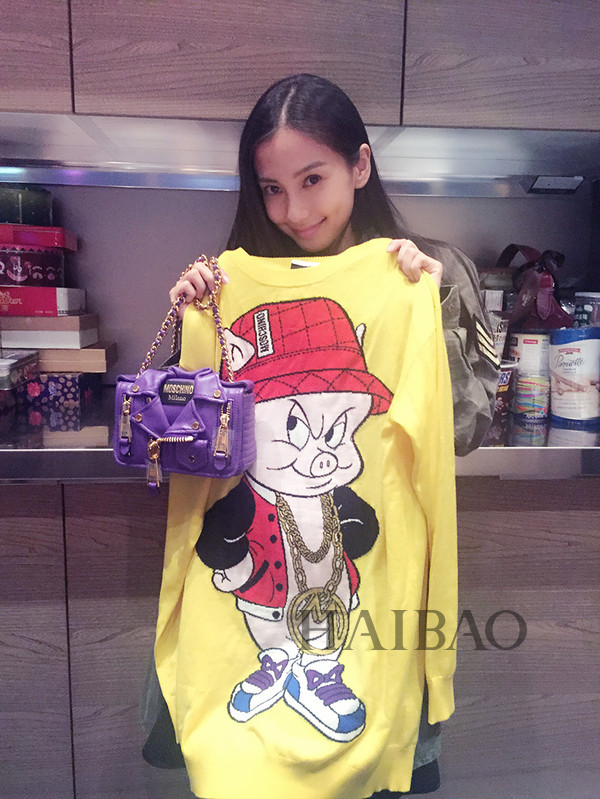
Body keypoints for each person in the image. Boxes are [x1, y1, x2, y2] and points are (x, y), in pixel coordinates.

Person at [145, 74, 479, 799]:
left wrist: (430, 311)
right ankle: (277, 668)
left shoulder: (422, 274)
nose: (293, 211)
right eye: (272, 188)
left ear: (360, 165)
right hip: (238, 606)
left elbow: (459, 431)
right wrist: (191, 327)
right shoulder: (229, 284)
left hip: (385, 621)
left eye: (312, 179)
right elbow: (192, 444)